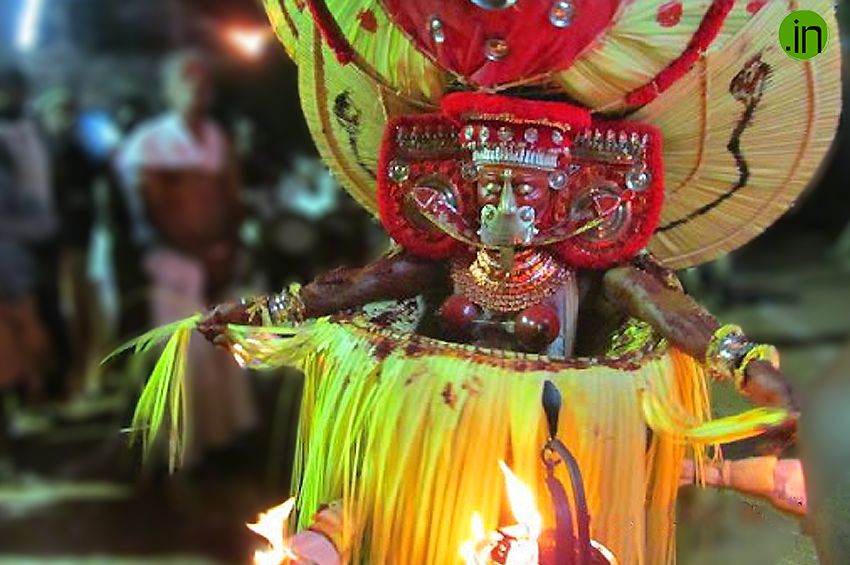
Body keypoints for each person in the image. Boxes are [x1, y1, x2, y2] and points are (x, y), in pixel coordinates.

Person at [120, 3, 840, 565]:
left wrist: (747, 366)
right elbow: (352, 288)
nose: (504, 208)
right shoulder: (441, 255)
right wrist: (266, 311)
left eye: (526, 192)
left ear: (569, 196)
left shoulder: (594, 264)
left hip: (557, 457)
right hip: (435, 448)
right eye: (490, 187)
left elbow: (672, 313)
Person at [115, 50, 256, 469]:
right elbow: (154, 210)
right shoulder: (150, 141)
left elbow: (232, 197)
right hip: (173, 265)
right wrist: (200, 254)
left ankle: (224, 440)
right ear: (168, 89)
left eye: (202, 79)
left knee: (222, 351)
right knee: (183, 356)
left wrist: (224, 250)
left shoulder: (216, 137)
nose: (196, 88)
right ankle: (181, 452)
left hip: (216, 262)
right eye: (186, 79)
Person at [36, 89, 104, 397]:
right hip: (49, 248)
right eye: (58, 111)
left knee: (83, 311)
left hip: (80, 244)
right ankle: (67, 378)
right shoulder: (39, 155)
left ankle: (87, 374)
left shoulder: (79, 152)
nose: (64, 118)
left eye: (68, 111)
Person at [0, 66, 55, 403]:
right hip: (13, 249)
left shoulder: (34, 130)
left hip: (29, 243)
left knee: (37, 324)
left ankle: (38, 391)